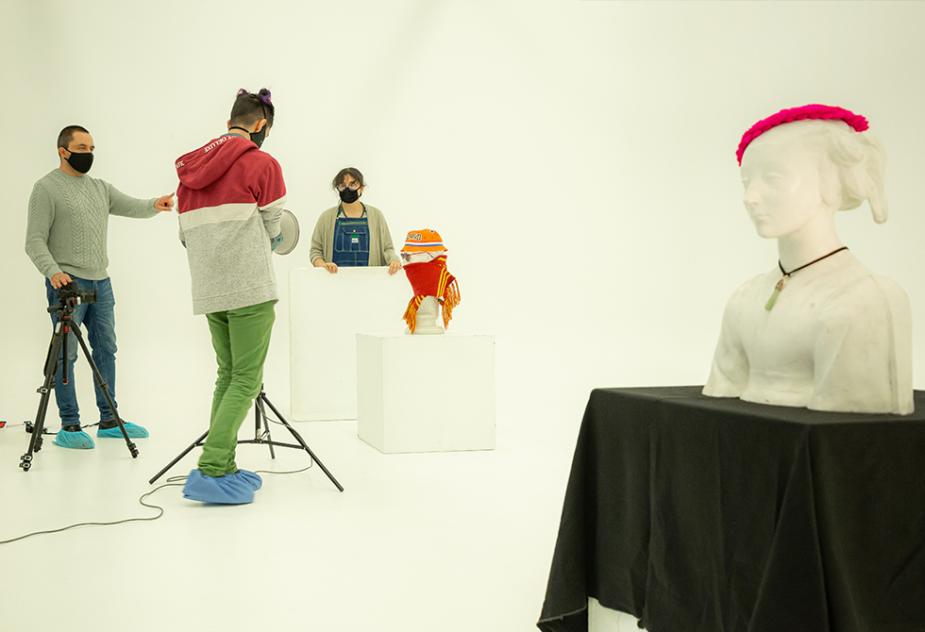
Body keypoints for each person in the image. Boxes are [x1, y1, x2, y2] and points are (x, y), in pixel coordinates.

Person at [703, 104, 913, 414]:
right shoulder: (744, 299)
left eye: (773, 178)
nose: (750, 197)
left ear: (830, 182)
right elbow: (720, 397)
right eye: (746, 183)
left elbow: (847, 429)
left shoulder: (865, 301)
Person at [25, 125, 173, 450]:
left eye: (92, 148)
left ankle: (109, 420)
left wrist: (156, 204)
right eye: (81, 148)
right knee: (66, 354)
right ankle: (70, 424)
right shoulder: (46, 188)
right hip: (68, 284)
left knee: (106, 349)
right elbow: (34, 240)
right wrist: (53, 272)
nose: (88, 154)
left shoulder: (99, 188)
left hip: (101, 283)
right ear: (63, 151)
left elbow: (131, 206)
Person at [174, 88, 286, 504]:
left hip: (209, 287)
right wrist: (266, 240)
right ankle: (211, 467)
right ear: (261, 125)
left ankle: (224, 463)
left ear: (229, 124)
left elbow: (184, 235)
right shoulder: (263, 163)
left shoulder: (189, 172)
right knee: (246, 379)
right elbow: (274, 226)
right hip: (250, 285)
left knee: (227, 374)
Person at [309, 167, 402, 274]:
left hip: (370, 280)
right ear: (337, 189)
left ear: (361, 188)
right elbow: (315, 251)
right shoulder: (326, 218)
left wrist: (394, 260)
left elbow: (387, 248)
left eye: (352, 184)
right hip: (335, 280)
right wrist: (323, 266)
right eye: (342, 185)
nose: (347, 189)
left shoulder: (376, 216)